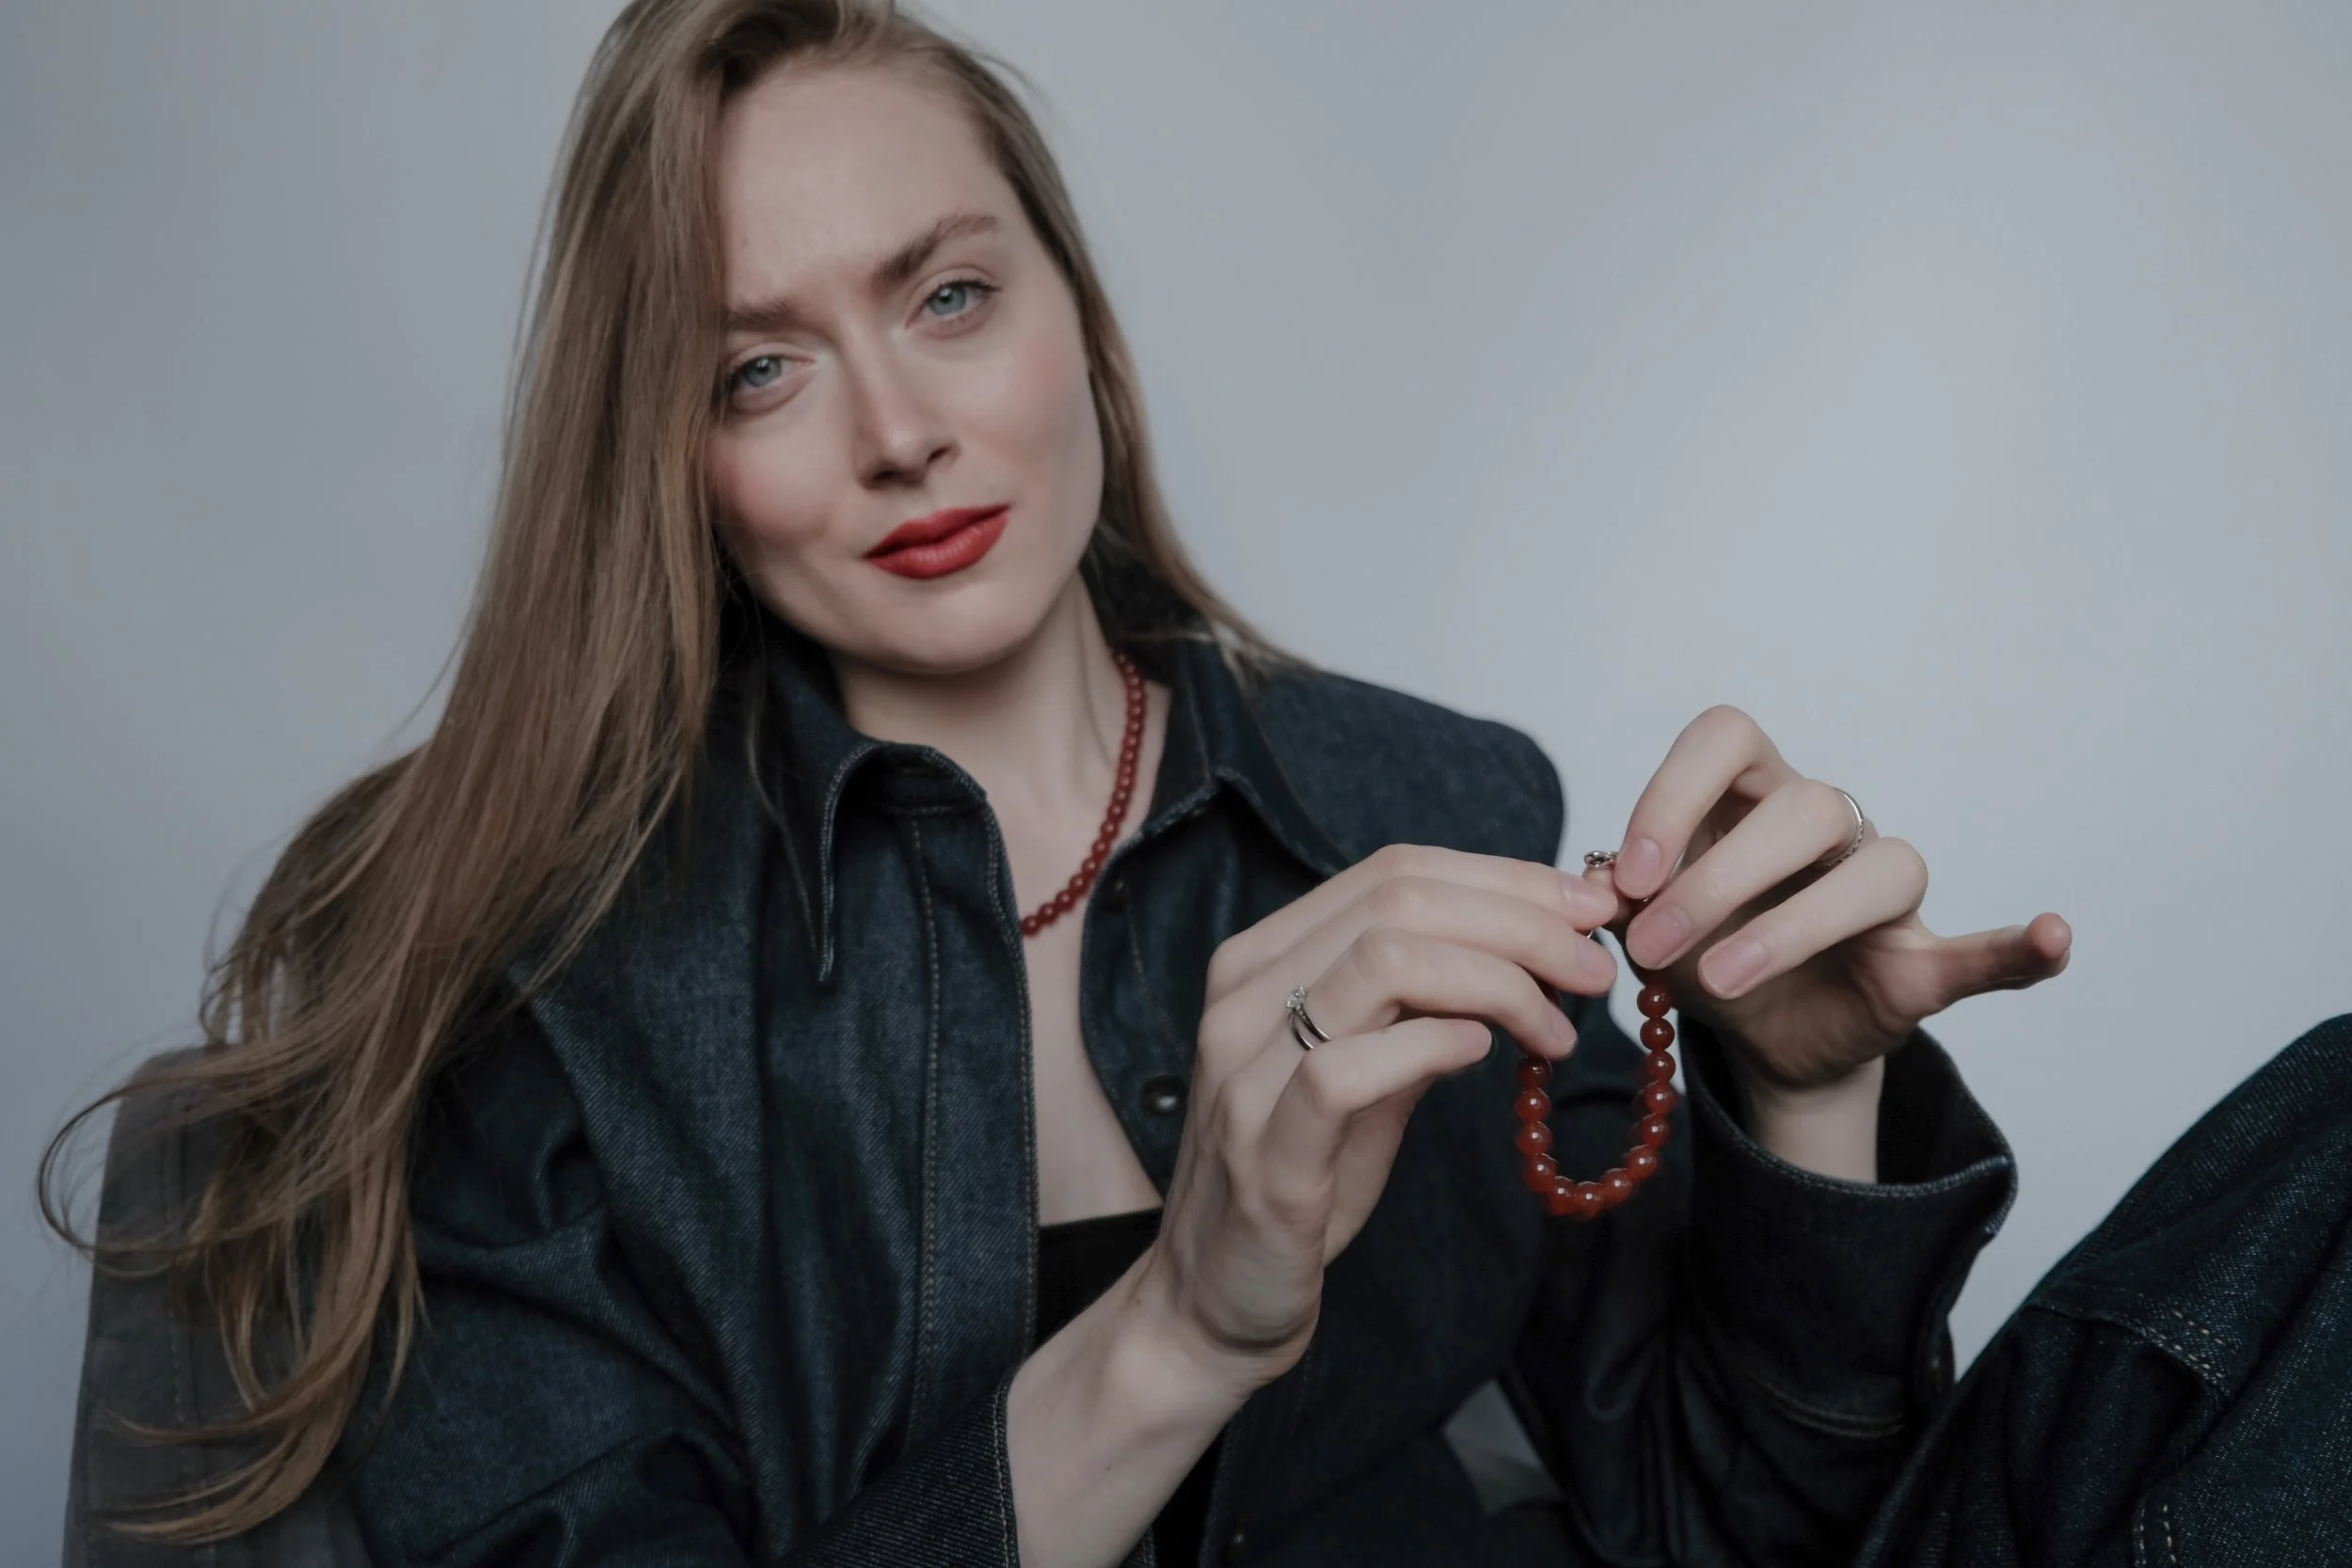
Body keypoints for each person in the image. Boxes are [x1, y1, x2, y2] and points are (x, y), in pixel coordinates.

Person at [48, 2, 2352, 1566]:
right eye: (760, 364)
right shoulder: (530, 1002)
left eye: (946, 296)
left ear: (1072, 317)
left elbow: (1732, 1521)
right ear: (668, 458)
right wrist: (1183, 1326)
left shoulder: (1414, 799)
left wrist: (1804, 1104)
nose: (899, 429)